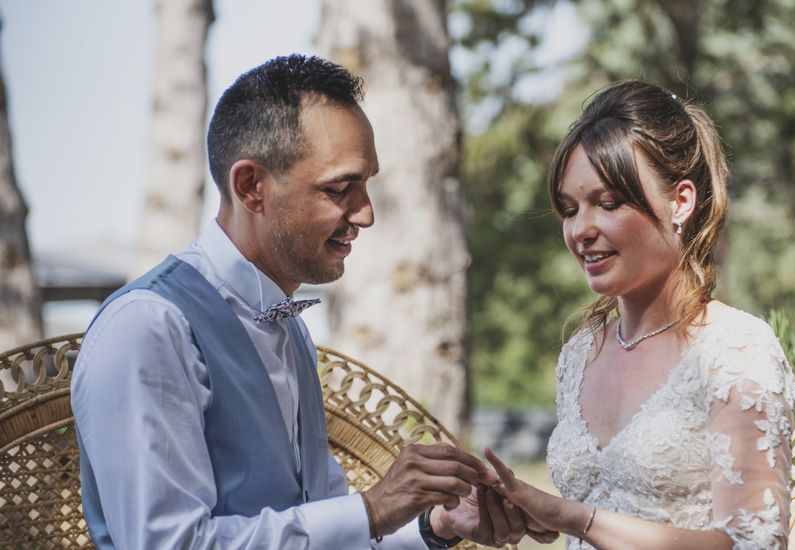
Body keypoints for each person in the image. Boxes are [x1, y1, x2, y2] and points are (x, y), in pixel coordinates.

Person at [72, 54, 536, 549]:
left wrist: (434, 526)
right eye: (340, 189)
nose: (366, 214)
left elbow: (324, 531)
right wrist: (372, 509)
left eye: (367, 184)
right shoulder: (147, 327)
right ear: (251, 186)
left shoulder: (289, 327)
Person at [484, 80, 795, 549]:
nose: (581, 231)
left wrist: (578, 519)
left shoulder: (736, 352)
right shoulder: (580, 354)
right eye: (570, 210)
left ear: (681, 201)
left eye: (608, 203)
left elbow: (754, 543)